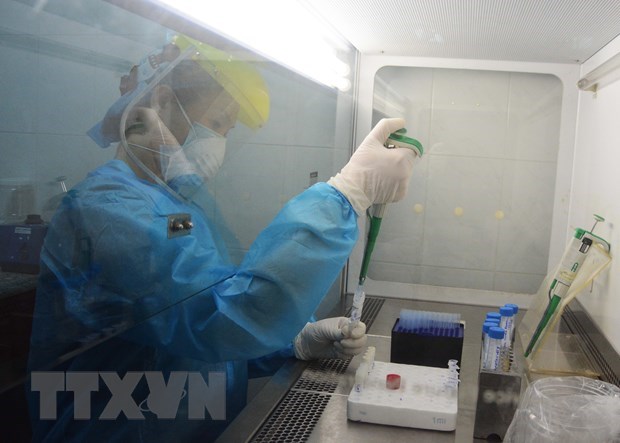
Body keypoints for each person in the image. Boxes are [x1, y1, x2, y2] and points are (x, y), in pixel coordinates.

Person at [27, 35, 417, 442]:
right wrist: (347, 194)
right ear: (160, 103)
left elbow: (191, 339)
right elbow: (218, 321)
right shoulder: (108, 212)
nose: (220, 143)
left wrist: (291, 343)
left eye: (227, 130)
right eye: (215, 123)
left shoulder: (178, 207)